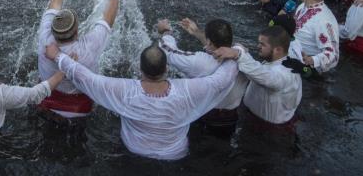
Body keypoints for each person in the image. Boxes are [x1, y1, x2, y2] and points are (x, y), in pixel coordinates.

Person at [44, 41, 239, 160]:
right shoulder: (188, 91)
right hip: (175, 156)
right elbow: (222, 79)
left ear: (140, 70)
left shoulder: (126, 92)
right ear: (166, 70)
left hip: (132, 153)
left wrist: (57, 56)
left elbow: (86, 77)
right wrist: (237, 52)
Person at [37, 0, 125, 118]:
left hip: (46, 100)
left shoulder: (45, 38)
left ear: (52, 28)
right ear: (78, 31)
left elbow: (54, 2)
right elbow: (108, 18)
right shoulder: (90, 45)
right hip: (79, 108)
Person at [157, 18, 249, 136]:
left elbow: (169, 52)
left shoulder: (199, 62)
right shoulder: (243, 57)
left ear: (209, 41)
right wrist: (196, 33)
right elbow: (215, 48)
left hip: (204, 114)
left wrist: (165, 31)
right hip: (230, 119)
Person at [212, 26, 302, 130]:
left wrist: (239, 54)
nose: (258, 46)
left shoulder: (286, 74)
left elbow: (266, 76)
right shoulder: (275, 60)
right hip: (251, 117)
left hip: (269, 131)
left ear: (278, 49)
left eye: (262, 44)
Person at [290, 0, 340, 74]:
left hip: (307, 70)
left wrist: (312, 60)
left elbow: (333, 55)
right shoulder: (302, 6)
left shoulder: (323, 21)